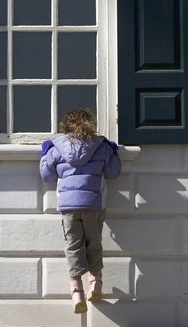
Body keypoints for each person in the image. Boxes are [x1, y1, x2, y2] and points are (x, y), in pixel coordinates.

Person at [39, 108, 121, 314]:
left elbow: (47, 176)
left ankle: (77, 290)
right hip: (94, 203)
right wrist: (113, 152)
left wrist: (44, 154)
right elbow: (113, 173)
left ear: (65, 126)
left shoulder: (56, 148)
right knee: (94, 242)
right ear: (90, 124)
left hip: (68, 205)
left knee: (73, 245)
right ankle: (96, 282)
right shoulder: (100, 146)